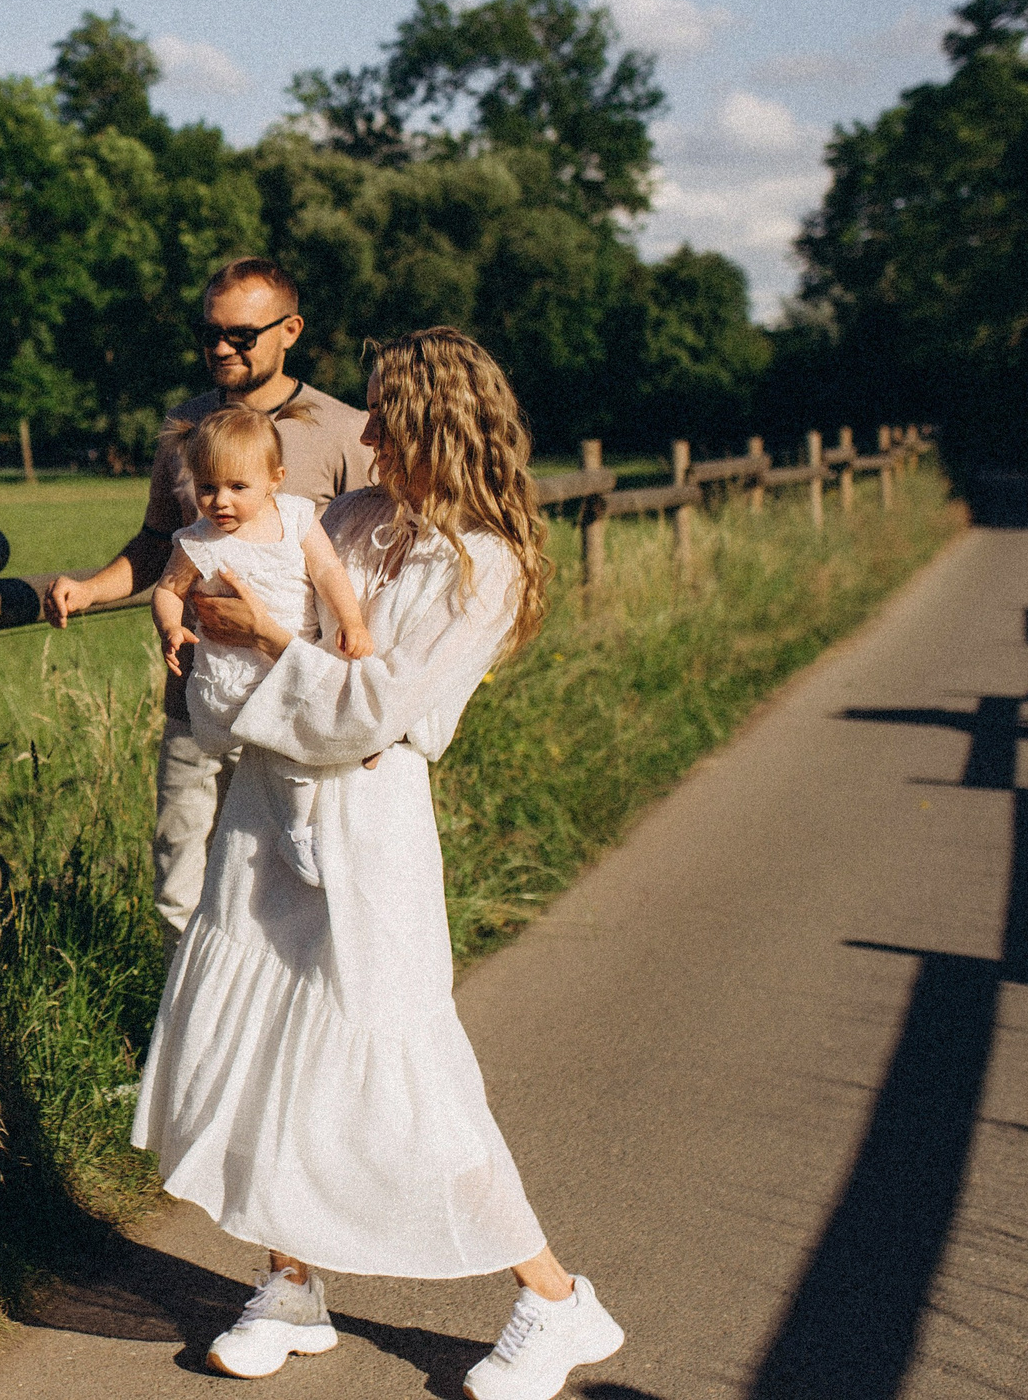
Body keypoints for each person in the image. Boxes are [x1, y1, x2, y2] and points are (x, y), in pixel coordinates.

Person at [130, 327, 625, 1400]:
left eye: (387, 421)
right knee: (266, 1049)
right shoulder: (348, 517)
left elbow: (369, 713)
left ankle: (553, 1299)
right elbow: (225, 610)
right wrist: (217, 629)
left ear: (439, 428)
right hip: (265, 815)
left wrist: (261, 637)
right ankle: (293, 1279)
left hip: (368, 831)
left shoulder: (479, 564)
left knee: (410, 1076)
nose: (367, 436)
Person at [48, 256, 372, 944]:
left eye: (241, 334)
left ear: (291, 329)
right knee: (181, 867)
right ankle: (179, 1026)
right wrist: (89, 586)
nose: (221, 348)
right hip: (197, 703)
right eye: (208, 333)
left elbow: (372, 570)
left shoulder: (346, 432)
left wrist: (375, 694)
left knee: (288, 878)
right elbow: (157, 547)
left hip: (298, 711)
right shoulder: (185, 427)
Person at [150, 406, 373, 887]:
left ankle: (297, 829)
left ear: (275, 479)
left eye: (237, 487)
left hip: (288, 660)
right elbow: (168, 589)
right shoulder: (197, 541)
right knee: (245, 774)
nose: (219, 501)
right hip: (230, 677)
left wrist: (351, 620)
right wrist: (171, 628)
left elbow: (329, 571)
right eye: (206, 487)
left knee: (300, 748)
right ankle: (250, 857)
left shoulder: (295, 518)